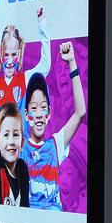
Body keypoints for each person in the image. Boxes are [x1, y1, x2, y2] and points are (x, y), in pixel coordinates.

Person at [21, 41, 86, 211]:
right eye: (34, 108)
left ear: (49, 113)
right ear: (27, 115)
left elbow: (80, 112)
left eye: (43, 107)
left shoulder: (56, 145)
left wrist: (72, 62)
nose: (39, 114)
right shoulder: (19, 148)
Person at [0, 8, 50, 120]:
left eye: (13, 55)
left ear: (19, 54)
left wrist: (42, 26)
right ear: (1, 53)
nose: (9, 61)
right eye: (6, 55)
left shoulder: (26, 79)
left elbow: (45, 66)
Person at [0, 102, 29, 207]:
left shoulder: (22, 168)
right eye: (6, 135)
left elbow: (25, 207)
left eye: (15, 135)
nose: (11, 141)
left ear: (22, 143)